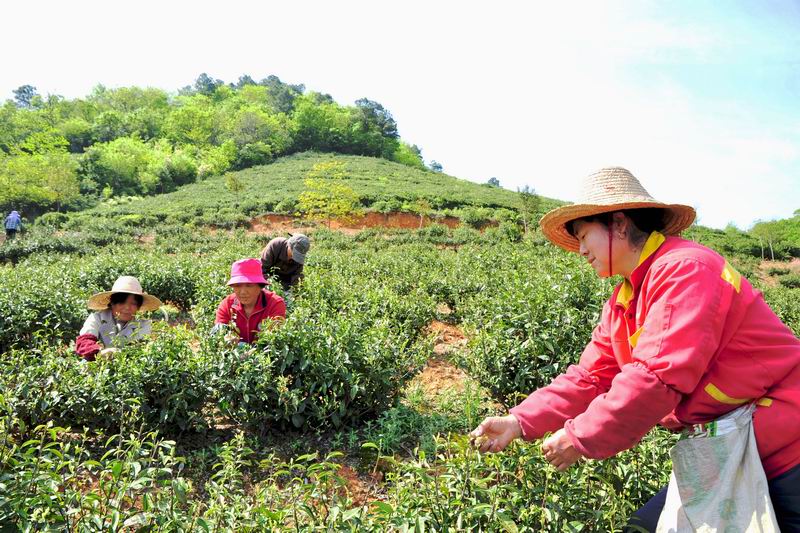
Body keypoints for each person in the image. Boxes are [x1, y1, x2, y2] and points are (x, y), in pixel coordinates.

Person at [470, 167, 800, 531]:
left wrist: (580, 436)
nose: (581, 250)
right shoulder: (624, 299)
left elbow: (656, 377)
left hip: (786, 448)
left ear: (619, 223)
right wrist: (519, 421)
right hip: (728, 450)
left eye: (584, 236)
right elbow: (590, 377)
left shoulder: (685, 269)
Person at [75, 276, 162, 361]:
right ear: (112, 303)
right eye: (122, 302)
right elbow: (83, 343)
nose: (127, 307)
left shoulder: (143, 325)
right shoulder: (97, 318)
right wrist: (100, 353)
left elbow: (142, 351)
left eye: (133, 303)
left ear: (138, 307)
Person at [214, 258, 286, 344]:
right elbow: (220, 335)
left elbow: (273, 340)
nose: (243, 292)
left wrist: (244, 347)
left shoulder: (275, 304)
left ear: (260, 286)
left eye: (249, 285)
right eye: (237, 285)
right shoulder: (227, 305)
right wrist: (227, 340)